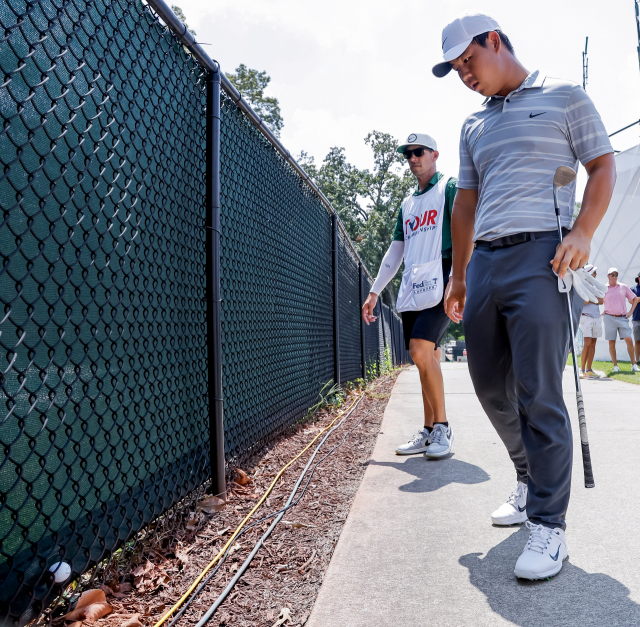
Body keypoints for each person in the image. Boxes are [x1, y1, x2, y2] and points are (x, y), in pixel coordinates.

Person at [436, 13, 616, 580]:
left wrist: (584, 231)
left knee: (539, 390)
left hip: (543, 255)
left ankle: (549, 526)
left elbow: (602, 165)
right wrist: (459, 275)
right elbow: (465, 204)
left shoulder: (564, 96)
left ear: (495, 41)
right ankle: (527, 476)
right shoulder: (473, 124)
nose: (465, 74)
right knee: (489, 385)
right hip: (485, 259)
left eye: (469, 61)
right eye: (456, 69)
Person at [362, 133, 456, 459]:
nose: (413, 158)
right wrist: (375, 290)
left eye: (419, 152)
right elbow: (396, 250)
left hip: (443, 275)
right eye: (408, 154)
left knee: (419, 349)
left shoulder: (449, 188)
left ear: (435, 154)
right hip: (414, 284)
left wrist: (458, 279)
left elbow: (465, 231)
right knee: (423, 358)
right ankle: (429, 431)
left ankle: (443, 427)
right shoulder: (408, 204)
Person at [603, 267, 639, 373]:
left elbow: (635, 299)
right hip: (609, 317)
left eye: (616, 274)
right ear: (608, 276)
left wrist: (630, 312)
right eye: (612, 275)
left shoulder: (623, 287)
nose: (614, 277)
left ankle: (634, 365)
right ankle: (615, 366)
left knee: (629, 340)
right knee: (611, 342)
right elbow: (599, 300)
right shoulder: (604, 288)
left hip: (622, 318)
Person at [579, 264, 603, 379]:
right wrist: (594, 298)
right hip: (586, 318)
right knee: (587, 343)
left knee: (593, 344)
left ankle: (589, 370)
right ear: (588, 274)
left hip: (596, 317)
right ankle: (582, 369)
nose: (595, 274)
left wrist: (590, 298)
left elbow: (601, 300)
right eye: (594, 272)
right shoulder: (581, 286)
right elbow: (583, 302)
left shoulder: (595, 286)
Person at [633, 272, 640, 366]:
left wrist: (637, 299)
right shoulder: (633, 289)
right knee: (637, 340)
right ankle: (638, 361)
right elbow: (632, 300)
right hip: (636, 318)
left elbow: (636, 300)